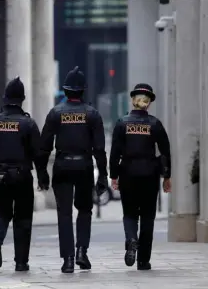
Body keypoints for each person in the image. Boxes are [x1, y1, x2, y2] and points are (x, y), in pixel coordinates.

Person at [39, 66, 108, 273]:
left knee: (64, 213)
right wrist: (103, 175)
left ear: (66, 91)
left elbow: (44, 147)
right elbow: (100, 149)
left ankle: (68, 259)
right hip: (84, 166)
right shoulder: (92, 114)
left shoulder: (55, 113)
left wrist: (42, 172)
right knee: (85, 210)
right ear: (83, 91)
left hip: (62, 166)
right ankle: (81, 252)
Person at [0, 77, 50, 272]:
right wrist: (43, 177)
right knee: (23, 219)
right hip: (22, 177)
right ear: (23, 99)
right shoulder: (28, 123)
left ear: (5, 98)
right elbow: (38, 154)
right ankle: (21, 262)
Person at [109, 83, 172, 271]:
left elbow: (114, 153)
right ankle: (143, 260)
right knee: (147, 216)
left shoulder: (122, 123)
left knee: (129, 213)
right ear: (148, 103)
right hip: (150, 174)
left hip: (127, 172)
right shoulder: (155, 124)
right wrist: (166, 176)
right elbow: (166, 152)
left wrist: (113, 176)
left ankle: (131, 239)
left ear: (133, 100)